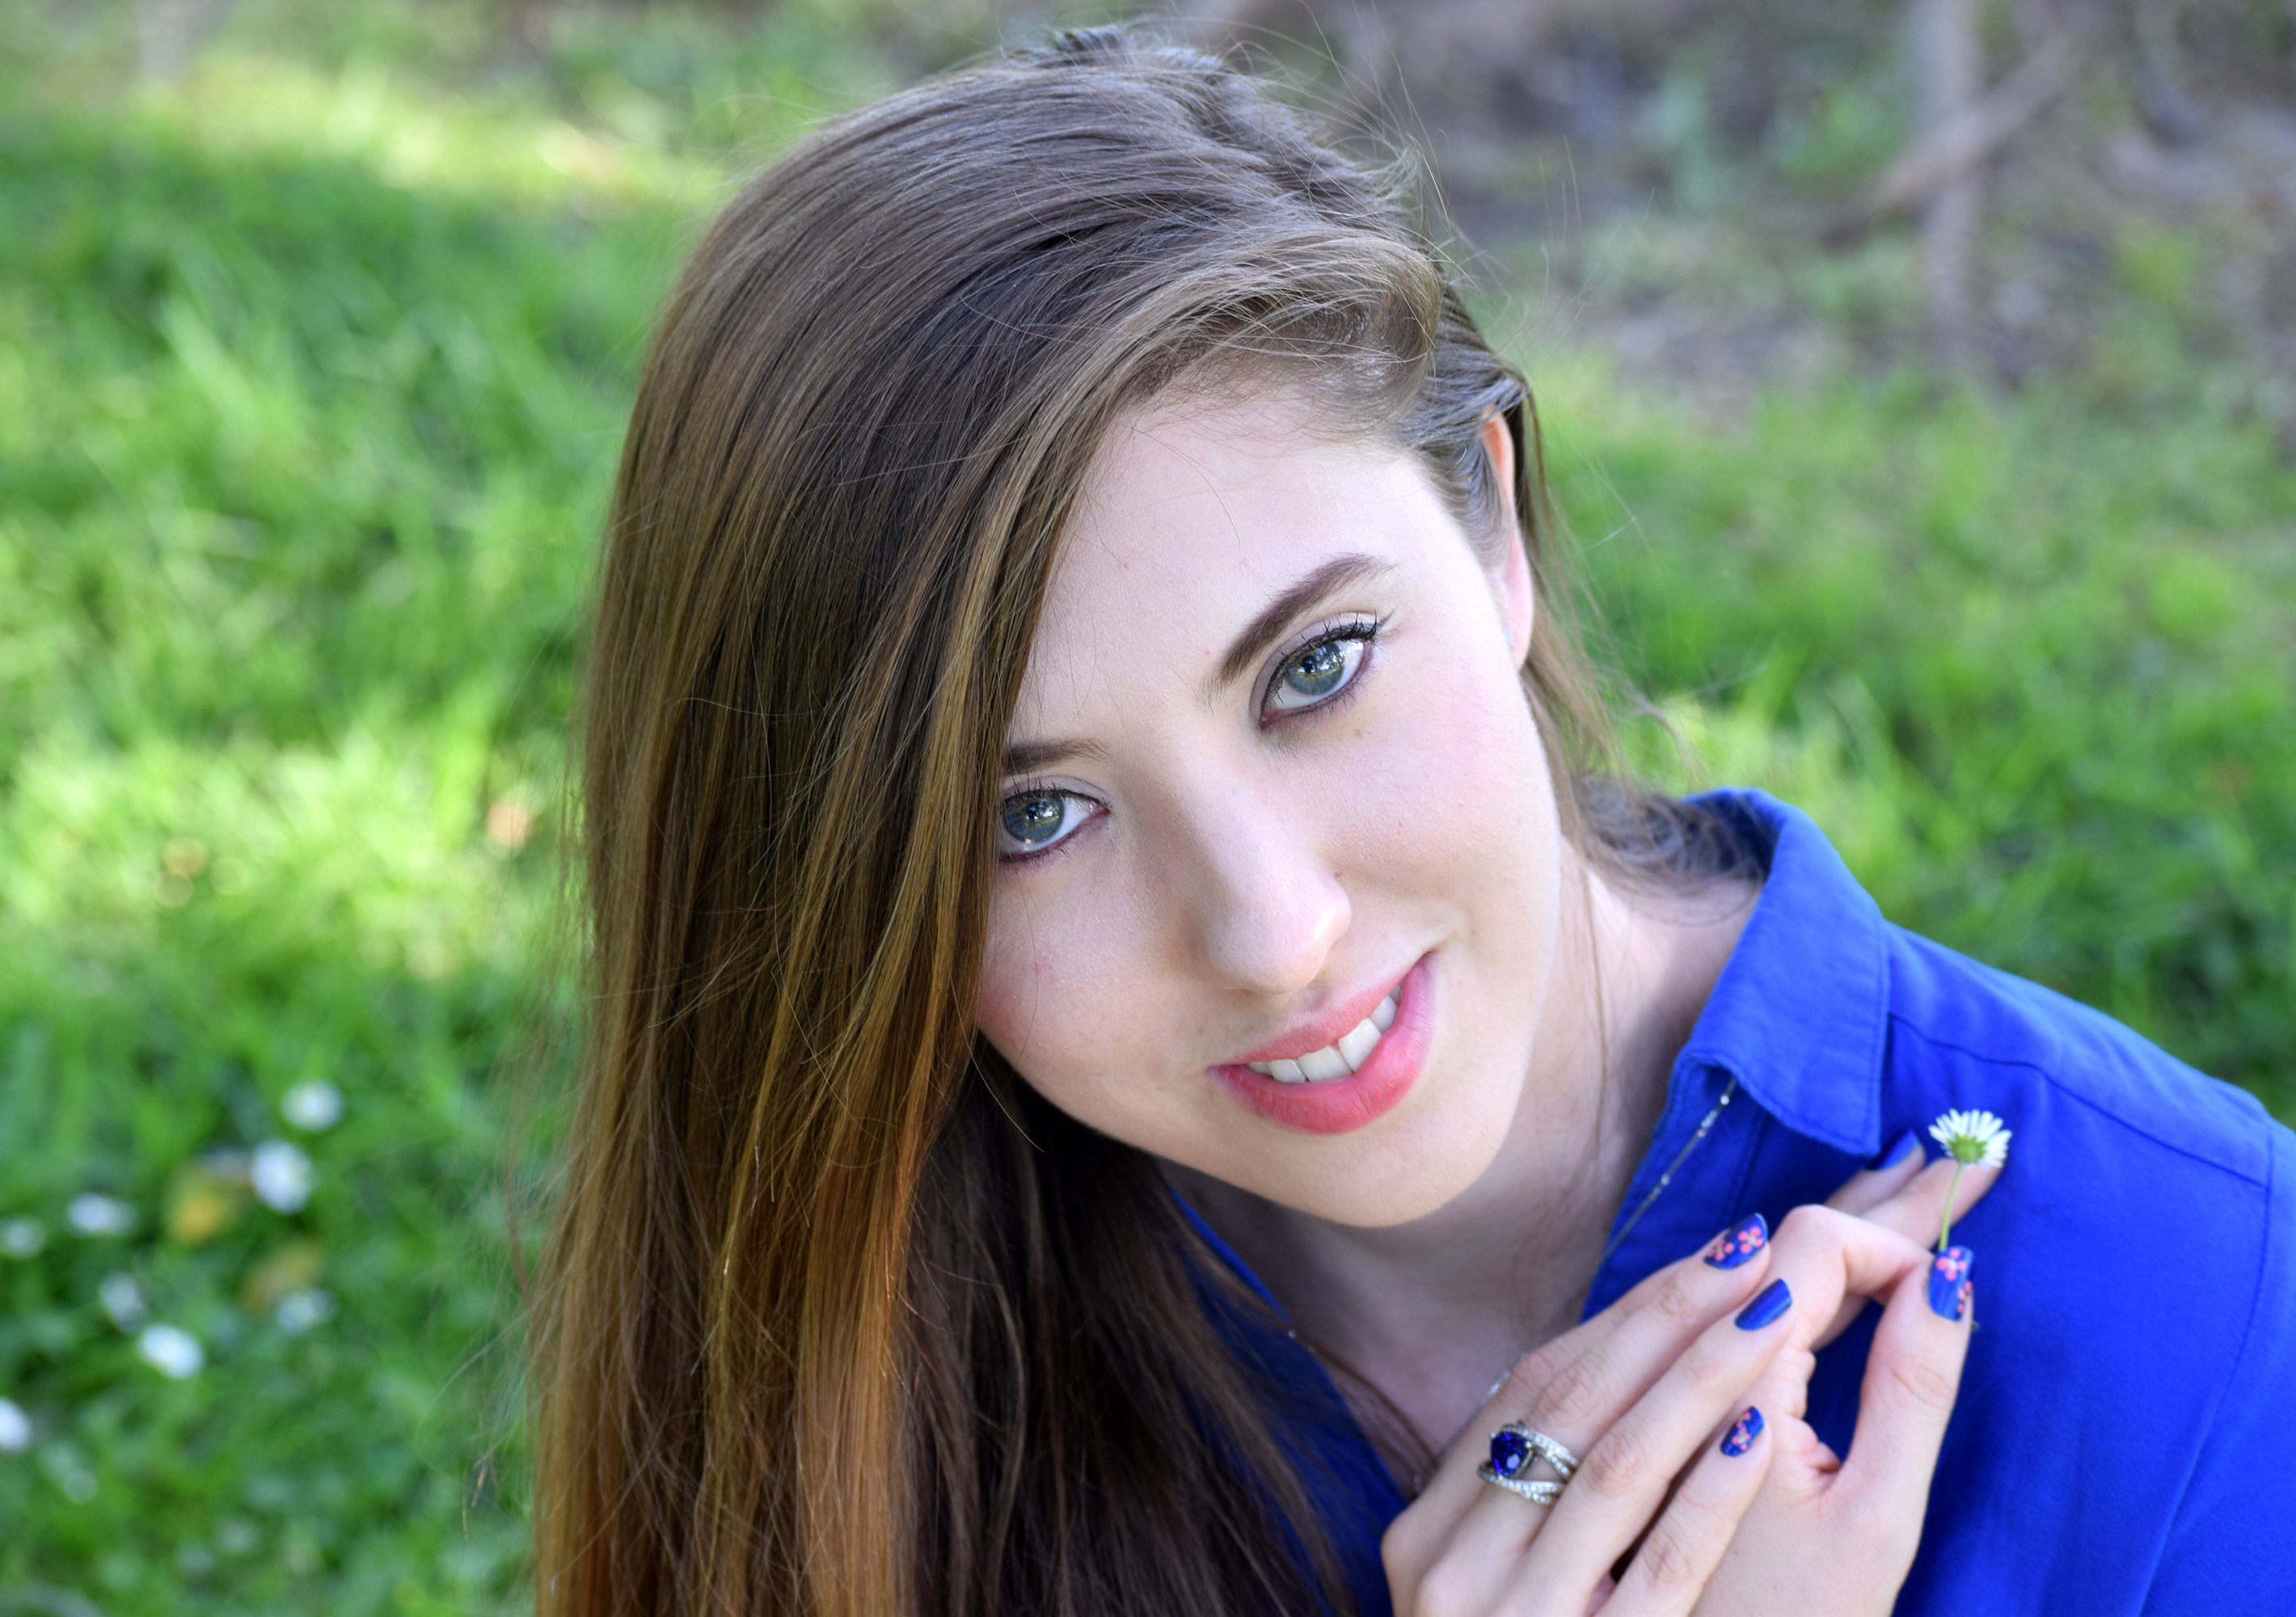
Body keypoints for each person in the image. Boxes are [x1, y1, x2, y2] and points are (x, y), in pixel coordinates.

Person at [531, 28, 2296, 1616]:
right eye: (1037, 814)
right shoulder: (856, 1326)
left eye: (1316, 666)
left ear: (1495, 528)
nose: (1272, 933)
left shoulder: (2206, 1304)